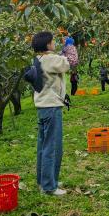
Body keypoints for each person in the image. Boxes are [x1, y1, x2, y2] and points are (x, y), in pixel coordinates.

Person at [32, 31, 70, 196]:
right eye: (53, 41)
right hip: (52, 107)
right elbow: (68, 63)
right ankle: (49, 186)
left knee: (44, 145)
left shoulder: (38, 59)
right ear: (48, 44)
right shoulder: (51, 59)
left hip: (42, 106)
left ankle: (45, 180)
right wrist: (69, 47)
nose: (55, 43)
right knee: (52, 147)